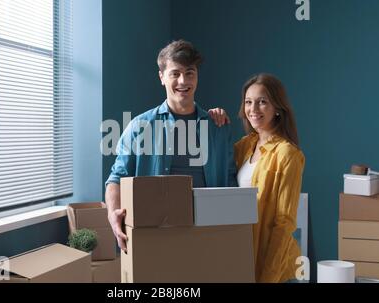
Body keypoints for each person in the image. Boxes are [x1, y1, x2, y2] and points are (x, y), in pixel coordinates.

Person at [105, 40, 238, 252]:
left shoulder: (218, 126)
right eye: (175, 73)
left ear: (197, 77)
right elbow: (116, 178)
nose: (183, 81)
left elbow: (230, 181)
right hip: (155, 235)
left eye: (190, 72)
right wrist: (113, 214)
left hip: (209, 235)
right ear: (162, 77)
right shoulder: (140, 126)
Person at [234, 73, 305, 283]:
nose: (253, 110)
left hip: (277, 272)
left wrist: (268, 278)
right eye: (248, 102)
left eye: (262, 102)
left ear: (277, 108)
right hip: (246, 259)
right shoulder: (245, 146)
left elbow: (284, 223)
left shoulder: (288, 154)